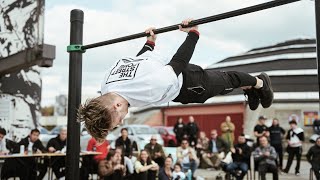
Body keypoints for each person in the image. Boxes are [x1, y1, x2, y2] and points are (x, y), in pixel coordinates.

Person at [78, 18, 274, 140]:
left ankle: (260, 83)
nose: (121, 123)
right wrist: (149, 43)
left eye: (117, 121)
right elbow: (138, 61)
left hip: (188, 83)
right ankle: (250, 89)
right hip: (170, 80)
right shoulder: (106, 86)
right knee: (223, 87)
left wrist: (193, 33)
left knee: (227, 81)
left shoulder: (151, 87)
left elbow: (179, 62)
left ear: (116, 107)